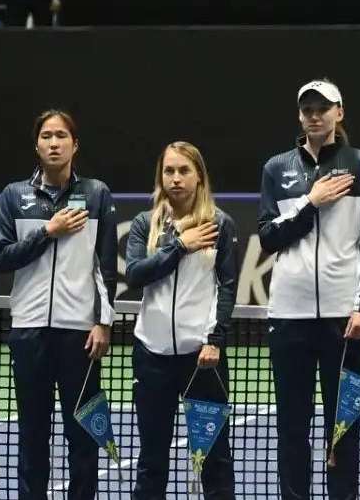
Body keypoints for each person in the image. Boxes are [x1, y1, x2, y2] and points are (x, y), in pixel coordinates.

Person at [257, 78, 360, 500]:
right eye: (307, 109)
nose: (314, 116)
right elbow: (268, 237)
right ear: (299, 116)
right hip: (288, 316)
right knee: (292, 426)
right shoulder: (276, 168)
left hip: (343, 318)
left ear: (338, 113)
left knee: (342, 427)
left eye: (323, 108)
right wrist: (310, 201)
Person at [0, 109, 116, 500]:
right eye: (46, 136)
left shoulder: (96, 194)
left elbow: (106, 266)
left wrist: (104, 322)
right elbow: (1, 258)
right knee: (32, 435)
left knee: (83, 434)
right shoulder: (14, 196)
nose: (54, 143)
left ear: (75, 145)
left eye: (61, 136)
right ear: (36, 145)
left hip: (80, 334)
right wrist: (48, 231)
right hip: (28, 332)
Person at [126, 142, 238, 500]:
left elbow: (227, 287)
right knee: (152, 459)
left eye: (184, 170)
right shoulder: (145, 223)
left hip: (202, 360)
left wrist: (214, 340)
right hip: (151, 357)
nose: (176, 178)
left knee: (215, 458)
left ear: (199, 175)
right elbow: (135, 274)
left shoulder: (219, 223)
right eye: (169, 171)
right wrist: (179, 245)